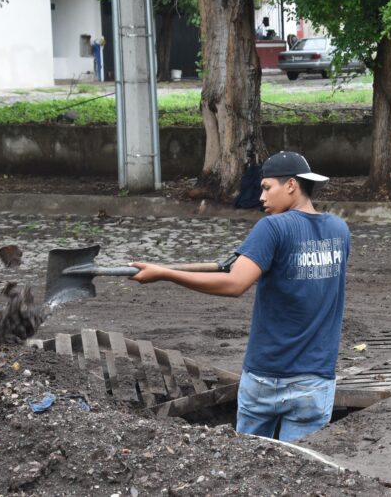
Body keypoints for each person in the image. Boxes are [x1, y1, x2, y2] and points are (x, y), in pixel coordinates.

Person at [129, 151, 349, 441]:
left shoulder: (272, 228)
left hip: (266, 378)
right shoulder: (339, 230)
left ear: (292, 185)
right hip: (315, 382)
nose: (261, 197)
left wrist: (165, 273)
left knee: (246, 469)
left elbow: (234, 283)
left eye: (267, 187)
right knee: (298, 472)